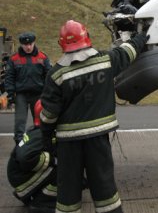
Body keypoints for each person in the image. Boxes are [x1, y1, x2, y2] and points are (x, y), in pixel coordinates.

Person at [39, 20, 148, 213]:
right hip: (98, 139)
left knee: (68, 193)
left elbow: (48, 115)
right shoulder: (105, 61)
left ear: (61, 43)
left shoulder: (56, 75)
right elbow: (127, 53)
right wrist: (140, 37)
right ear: (86, 37)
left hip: (68, 144)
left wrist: (47, 138)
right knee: (104, 187)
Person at [7, 100, 57, 213]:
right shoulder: (41, 134)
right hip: (20, 178)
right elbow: (26, 158)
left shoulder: (37, 131)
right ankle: (42, 202)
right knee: (61, 169)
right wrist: (53, 160)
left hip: (18, 175)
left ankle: (30, 192)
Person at [5, 32, 52, 144]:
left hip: (38, 95)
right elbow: (9, 78)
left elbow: (49, 76)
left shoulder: (42, 57)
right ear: (21, 44)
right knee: (20, 122)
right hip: (21, 95)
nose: (28, 47)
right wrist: (11, 95)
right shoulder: (14, 59)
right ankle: (19, 144)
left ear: (34, 43)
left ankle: (41, 142)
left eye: (30, 44)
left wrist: (48, 93)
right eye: (25, 45)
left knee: (41, 121)